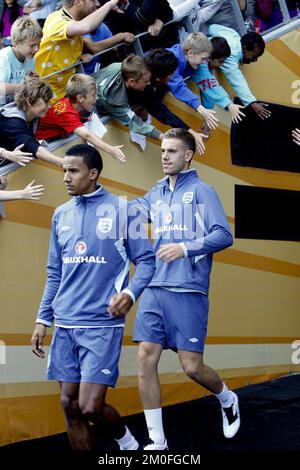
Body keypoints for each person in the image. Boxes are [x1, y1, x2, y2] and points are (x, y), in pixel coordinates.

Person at [31, 143, 156, 450]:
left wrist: (130, 292)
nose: (66, 177)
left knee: (89, 407)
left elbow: (149, 262)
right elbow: (54, 272)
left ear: (94, 173)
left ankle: (127, 443)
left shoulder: (127, 211)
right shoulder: (60, 215)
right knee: (69, 406)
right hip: (65, 324)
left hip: (102, 324)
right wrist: (42, 318)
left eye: (73, 171)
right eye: (64, 170)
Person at [132, 128, 239, 450]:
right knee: (145, 358)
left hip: (188, 289)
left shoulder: (203, 191)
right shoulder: (156, 192)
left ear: (188, 155)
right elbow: (131, 211)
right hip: (154, 287)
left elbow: (224, 235)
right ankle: (157, 440)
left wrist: (186, 248)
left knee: (191, 367)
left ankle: (227, 397)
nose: (164, 156)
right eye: (162, 151)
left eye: (171, 151)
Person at [35, 0, 126, 101]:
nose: (97, 4)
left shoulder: (73, 22)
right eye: (93, 0)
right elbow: (86, 27)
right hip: (48, 98)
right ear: (78, 2)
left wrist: (78, 58)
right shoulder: (56, 19)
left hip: (67, 95)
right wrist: (109, 4)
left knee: (120, 69)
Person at [127, 48, 207, 154]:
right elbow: (164, 114)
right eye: (171, 74)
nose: (173, 76)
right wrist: (191, 132)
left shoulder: (152, 79)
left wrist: (191, 132)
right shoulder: (144, 87)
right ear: (159, 77)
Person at [36, 74, 126, 163]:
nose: (97, 98)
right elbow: (87, 135)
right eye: (93, 95)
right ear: (80, 98)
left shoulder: (67, 102)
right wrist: (111, 150)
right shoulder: (66, 113)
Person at [94, 54, 164, 142]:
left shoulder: (123, 67)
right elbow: (134, 123)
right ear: (132, 81)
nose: (149, 83)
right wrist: (161, 136)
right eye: (146, 81)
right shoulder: (115, 99)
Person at [208, 24, 271, 119]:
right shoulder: (232, 54)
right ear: (245, 48)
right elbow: (236, 80)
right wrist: (251, 102)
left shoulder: (234, 36)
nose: (255, 60)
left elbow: (212, 27)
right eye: (254, 56)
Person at [0, 78, 63, 167]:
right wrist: (62, 162)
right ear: (30, 102)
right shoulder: (12, 121)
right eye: (46, 101)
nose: (49, 106)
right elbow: (32, 147)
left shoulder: (33, 116)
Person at [167, 33, 219, 131]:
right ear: (190, 53)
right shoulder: (172, 60)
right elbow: (179, 88)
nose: (205, 63)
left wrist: (207, 112)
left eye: (207, 59)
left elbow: (207, 82)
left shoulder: (193, 62)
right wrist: (200, 108)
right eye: (203, 58)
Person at [192, 36, 246, 124]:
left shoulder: (207, 53)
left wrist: (207, 116)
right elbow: (211, 85)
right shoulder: (200, 64)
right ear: (209, 58)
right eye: (220, 61)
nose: (222, 65)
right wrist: (229, 105)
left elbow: (207, 91)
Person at [0, 15, 42, 104]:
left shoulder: (30, 58)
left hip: (16, 105)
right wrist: (21, 87)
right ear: (17, 43)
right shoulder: (4, 57)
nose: (37, 49)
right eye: (32, 45)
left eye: (38, 44)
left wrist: (30, 81)